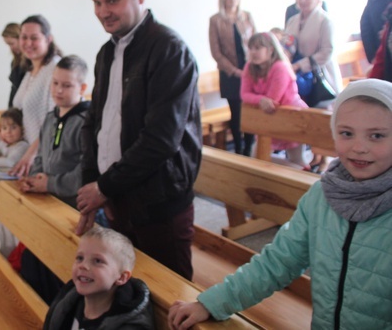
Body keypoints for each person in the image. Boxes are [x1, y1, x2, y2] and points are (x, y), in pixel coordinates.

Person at [168, 78, 392, 330]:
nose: (359, 147)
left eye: (376, 136)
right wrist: (213, 302)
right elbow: (278, 262)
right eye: (346, 133)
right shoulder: (322, 196)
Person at [76, 0, 202, 281]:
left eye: (113, 0)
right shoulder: (107, 52)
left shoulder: (169, 50)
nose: (103, 11)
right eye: (97, 2)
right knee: (128, 291)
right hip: (118, 199)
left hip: (158, 203)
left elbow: (160, 139)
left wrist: (102, 186)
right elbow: (96, 124)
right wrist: (92, 186)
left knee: (171, 297)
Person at [43, 225, 156, 330]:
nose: (83, 266)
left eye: (97, 261)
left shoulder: (129, 326)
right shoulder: (68, 300)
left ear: (121, 277)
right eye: (80, 258)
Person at [20, 54, 91, 207]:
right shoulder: (51, 117)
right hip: (47, 198)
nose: (58, 90)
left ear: (82, 88)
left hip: (74, 205)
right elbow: (41, 156)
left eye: (66, 85)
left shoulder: (87, 122)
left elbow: (86, 171)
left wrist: (49, 184)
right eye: (55, 83)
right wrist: (33, 180)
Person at [240, 32, 309, 169]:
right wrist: (260, 100)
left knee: (297, 159)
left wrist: (261, 100)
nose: (253, 52)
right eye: (251, 48)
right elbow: (244, 94)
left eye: (258, 48)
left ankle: (300, 175)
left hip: (291, 116)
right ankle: (294, 173)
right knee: (257, 156)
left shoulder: (280, 67)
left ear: (271, 49)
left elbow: (273, 100)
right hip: (268, 116)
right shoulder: (249, 67)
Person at [10, 15, 63, 177]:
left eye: (34, 38)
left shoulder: (55, 69)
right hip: (29, 155)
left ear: (48, 39)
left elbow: (56, 120)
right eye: (23, 37)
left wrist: (31, 154)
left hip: (47, 157)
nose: (28, 43)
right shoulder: (30, 70)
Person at [208, 0, 256, 156]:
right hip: (229, 73)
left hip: (250, 71)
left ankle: (249, 148)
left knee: (250, 111)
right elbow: (216, 52)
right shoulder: (216, 20)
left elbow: (256, 43)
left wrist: (252, 67)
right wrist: (235, 71)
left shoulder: (247, 16)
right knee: (236, 113)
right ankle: (238, 148)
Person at [284, 0, 342, 108]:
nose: (303, 1)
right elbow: (288, 43)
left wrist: (300, 64)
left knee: (324, 112)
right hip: (298, 75)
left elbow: (327, 51)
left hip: (321, 74)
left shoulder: (325, 20)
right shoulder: (292, 21)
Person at [2, 22, 26, 107]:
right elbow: (14, 89)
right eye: (8, 45)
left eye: (12, 43)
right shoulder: (15, 62)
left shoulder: (31, 62)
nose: (11, 48)